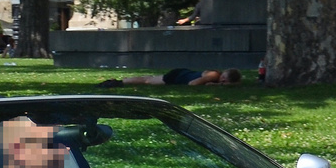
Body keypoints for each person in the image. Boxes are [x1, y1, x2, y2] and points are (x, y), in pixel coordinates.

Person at [98, 68, 241, 87]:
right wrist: (217, 85)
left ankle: (119, 82)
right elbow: (193, 83)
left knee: (149, 78)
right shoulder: (214, 75)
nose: (222, 80)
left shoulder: (215, 76)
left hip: (181, 75)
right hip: (179, 77)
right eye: (224, 78)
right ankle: (117, 83)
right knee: (148, 81)